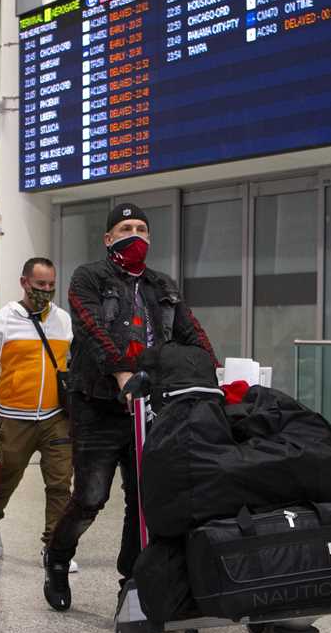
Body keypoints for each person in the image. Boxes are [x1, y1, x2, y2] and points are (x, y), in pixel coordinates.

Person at [42, 204, 216, 611]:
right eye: (124, 228)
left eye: (140, 228)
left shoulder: (163, 285)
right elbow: (91, 328)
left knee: (143, 500)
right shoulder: (89, 277)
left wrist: (211, 370)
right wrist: (122, 372)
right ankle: (58, 557)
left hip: (151, 410)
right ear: (108, 239)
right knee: (91, 496)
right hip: (98, 405)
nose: (134, 234)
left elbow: (193, 335)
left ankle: (132, 582)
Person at [0, 258, 76, 571]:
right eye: (40, 284)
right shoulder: (4, 319)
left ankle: (54, 548)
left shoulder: (63, 320)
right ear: (24, 282)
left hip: (56, 416)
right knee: (5, 480)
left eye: (51, 285)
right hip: (16, 417)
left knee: (59, 484)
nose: (46, 290)